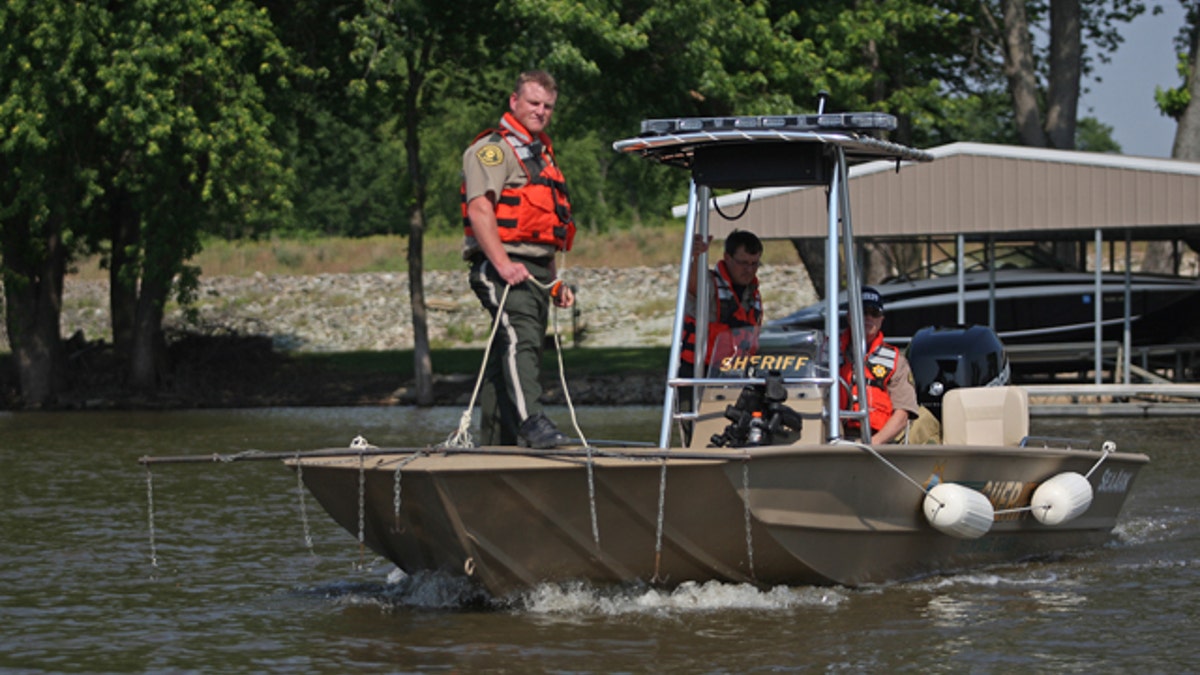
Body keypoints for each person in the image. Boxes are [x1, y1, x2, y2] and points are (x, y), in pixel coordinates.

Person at [461, 70, 576, 449]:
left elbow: (544, 231)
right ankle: (533, 424)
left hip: (536, 269)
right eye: (533, 103)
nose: (541, 112)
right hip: (503, 266)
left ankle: (498, 446)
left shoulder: (542, 155)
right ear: (514, 102)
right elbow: (480, 210)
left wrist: (554, 280)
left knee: (505, 356)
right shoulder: (493, 150)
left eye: (548, 106)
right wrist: (502, 264)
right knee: (521, 338)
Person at [838, 286, 920, 444]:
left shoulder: (896, 360)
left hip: (878, 442)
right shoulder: (828, 353)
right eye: (863, 311)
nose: (868, 317)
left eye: (874, 313)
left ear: (881, 319)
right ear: (850, 316)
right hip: (833, 439)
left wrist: (871, 445)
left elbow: (903, 414)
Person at [679, 229, 765, 376]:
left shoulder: (752, 294)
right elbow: (694, 285)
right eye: (743, 263)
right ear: (727, 258)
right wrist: (696, 256)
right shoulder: (709, 284)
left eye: (754, 263)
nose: (749, 269)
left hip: (737, 372)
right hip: (699, 371)